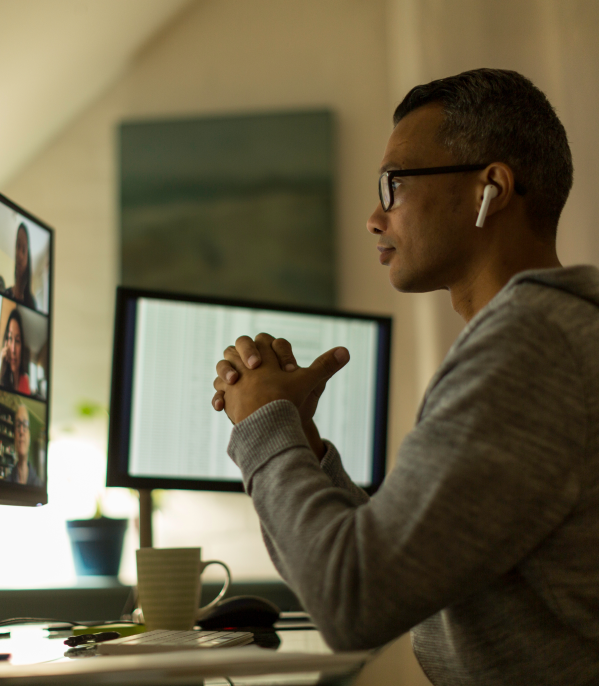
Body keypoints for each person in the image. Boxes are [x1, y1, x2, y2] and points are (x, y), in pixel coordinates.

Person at [212, 69, 599, 684]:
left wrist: (262, 422)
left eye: (393, 184)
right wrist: (302, 446)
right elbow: (380, 564)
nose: (373, 216)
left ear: (490, 189)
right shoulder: (548, 333)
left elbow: (353, 602)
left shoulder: (530, 345)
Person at [0, 308, 30, 394]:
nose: (13, 349)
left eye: (17, 341)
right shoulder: (2, 380)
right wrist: (2, 365)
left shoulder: (25, 380)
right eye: (10, 338)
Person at [3, 223, 36, 309]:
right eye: (18, 246)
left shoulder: (31, 303)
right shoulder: (6, 293)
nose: (19, 255)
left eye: (24, 249)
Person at [8, 404, 42, 486]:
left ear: (29, 436)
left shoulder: (39, 485)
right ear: (14, 436)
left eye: (25, 424)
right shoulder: (6, 483)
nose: (21, 431)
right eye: (18, 425)